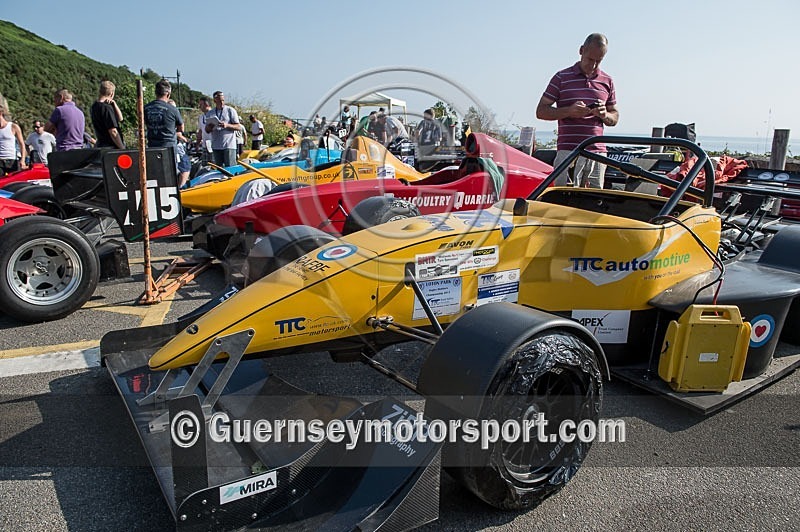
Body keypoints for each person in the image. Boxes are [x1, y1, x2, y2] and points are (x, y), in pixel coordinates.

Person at [536, 33, 618, 189]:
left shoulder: (607, 81)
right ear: (581, 51)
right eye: (590, 59)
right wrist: (569, 111)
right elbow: (541, 111)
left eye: (598, 61)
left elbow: (614, 115)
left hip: (597, 153)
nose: (593, 65)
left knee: (593, 202)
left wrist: (604, 114)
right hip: (568, 151)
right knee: (563, 199)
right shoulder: (561, 77)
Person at [144, 80, 185, 181]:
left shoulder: (145, 108)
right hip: (168, 147)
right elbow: (181, 128)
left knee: (155, 175)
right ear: (168, 94)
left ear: (156, 92)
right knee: (170, 176)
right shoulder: (172, 109)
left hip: (152, 146)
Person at [204, 90, 241, 167]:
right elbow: (207, 130)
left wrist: (227, 125)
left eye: (223, 100)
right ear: (215, 100)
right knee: (219, 170)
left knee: (230, 168)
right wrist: (210, 127)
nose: (222, 103)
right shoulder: (210, 113)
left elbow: (238, 127)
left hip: (228, 145)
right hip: (216, 145)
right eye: (219, 101)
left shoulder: (230, 110)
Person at [91, 80, 125, 149]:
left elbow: (120, 118)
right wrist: (122, 148)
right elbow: (113, 131)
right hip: (110, 146)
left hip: (100, 144)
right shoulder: (106, 108)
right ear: (111, 94)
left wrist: (114, 104)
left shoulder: (94, 106)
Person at [0, 94, 27, 175]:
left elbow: (22, 144)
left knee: (14, 184)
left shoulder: (13, 126)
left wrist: (22, 160)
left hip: (12, 160)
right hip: (0, 161)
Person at [197, 96, 213, 163]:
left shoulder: (214, 114)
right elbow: (201, 130)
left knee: (215, 165)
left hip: (214, 145)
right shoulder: (201, 117)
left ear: (206, 104)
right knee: (205, 165)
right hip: (205, 145)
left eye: (201, 105)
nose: (199, 107)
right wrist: (197, 143)